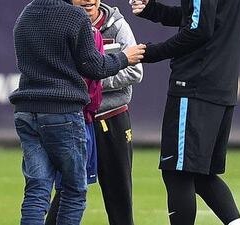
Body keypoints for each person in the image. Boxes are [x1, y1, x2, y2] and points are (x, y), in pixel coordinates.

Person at [10, 0, 145, 224]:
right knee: (73, 191)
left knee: (37, 190)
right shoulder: (74, 17)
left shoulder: (27, 13)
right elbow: (93, 67)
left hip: (27, 111)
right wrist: (124, 58)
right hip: (63, 113)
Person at [131, 0, 240, 225]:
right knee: (200, 175)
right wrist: (153, 10)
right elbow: (199, 16)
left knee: (177, 172)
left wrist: (152, 52)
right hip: (218, 86)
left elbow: (199, 29)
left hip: (194, 86)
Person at [45, 26, 105, 225]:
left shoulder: (110, 27)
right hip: (72, 116)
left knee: (60, 188)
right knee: (72, 188)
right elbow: (94, 71)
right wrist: (120, 60)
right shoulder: (77, 31)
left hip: (86, 116)